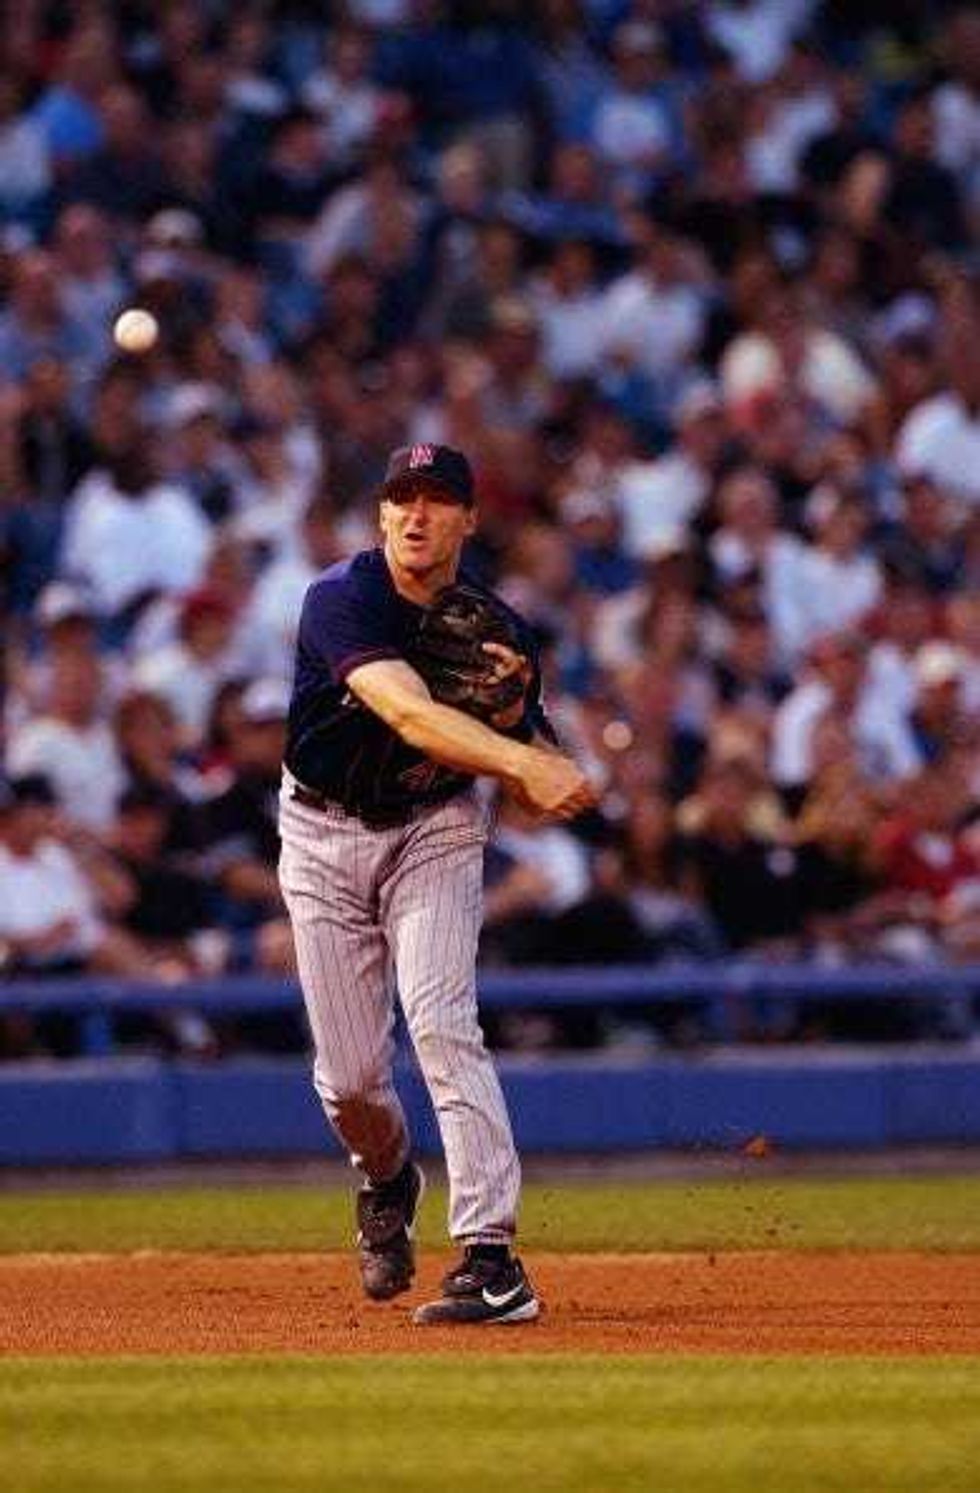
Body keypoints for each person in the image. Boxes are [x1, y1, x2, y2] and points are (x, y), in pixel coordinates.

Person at [278, 442, 595, 1326]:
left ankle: (492, 1258)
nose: (417, 513)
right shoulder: (340, 597)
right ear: (380, 514)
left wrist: (554, 763)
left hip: (436, 828)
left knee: (443, 1021)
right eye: (401, 497)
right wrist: (522, 763)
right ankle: (386, 1176)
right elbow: (412, 712)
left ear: (469, 518)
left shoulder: (493, 626)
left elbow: (531, 745)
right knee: (347, 1081)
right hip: (320, 830)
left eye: (437, 499)